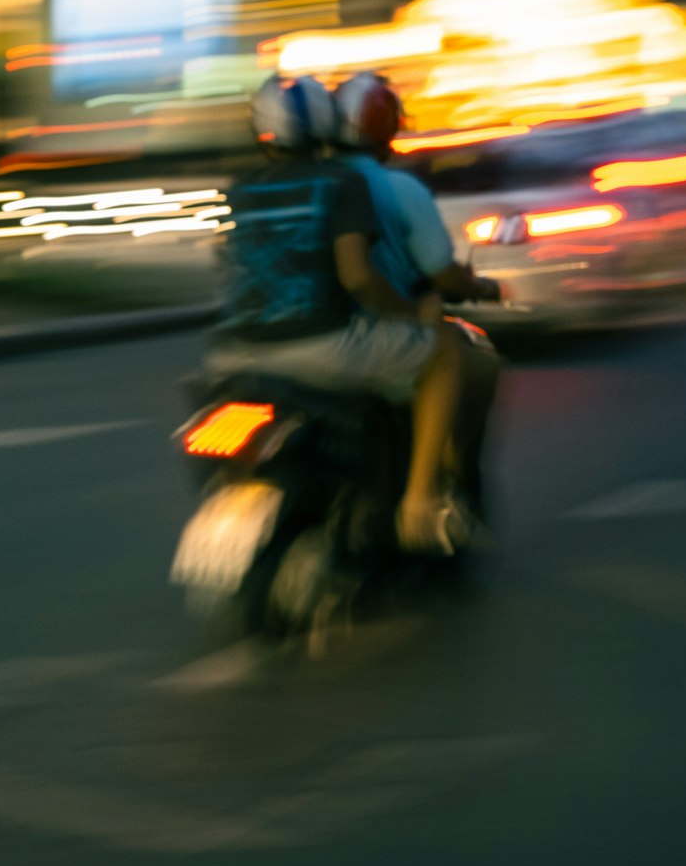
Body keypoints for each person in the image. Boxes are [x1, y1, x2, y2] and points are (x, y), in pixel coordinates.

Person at [206, 72, 500, 555]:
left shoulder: (239, 189)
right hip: (324, 347)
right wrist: (410, 312)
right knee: (442, 353)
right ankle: (420, 503)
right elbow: (359, 278)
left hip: (233, 354)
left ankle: (230, 491)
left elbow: (230, 265)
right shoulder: (341, 183)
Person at [329, 72, 503, 551]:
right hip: (369, 338)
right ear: (388, 130)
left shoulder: (306, 184)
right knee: (471, 360)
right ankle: (430, 495)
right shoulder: (398, 189)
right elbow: (440, 273)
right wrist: (482, 287)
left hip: (282, 335)